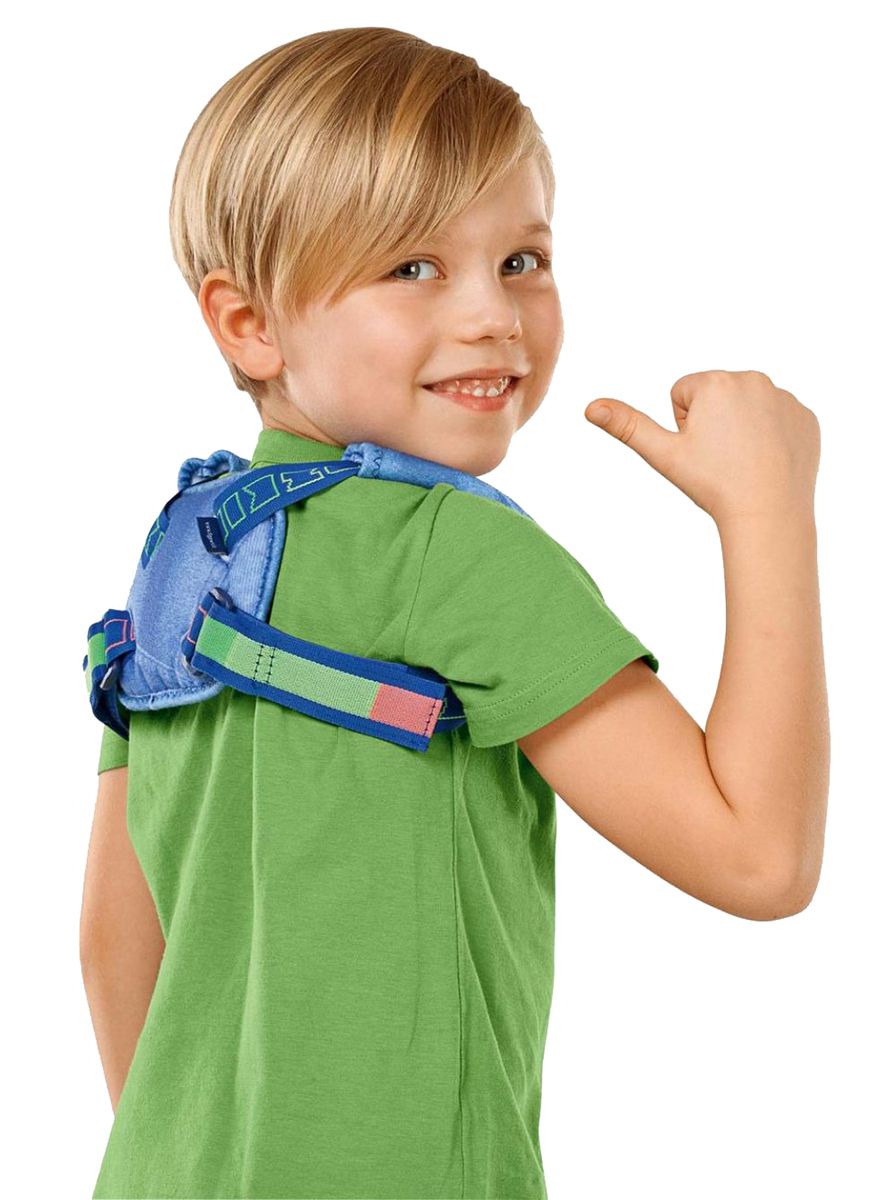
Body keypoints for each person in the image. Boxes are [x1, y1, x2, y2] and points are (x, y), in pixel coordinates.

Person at [79, 26, 829, 1200]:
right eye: (413, 267)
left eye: (521, 259)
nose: (493, 315)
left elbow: (112, 940)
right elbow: (756, 859)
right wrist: (768, 511)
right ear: (248, 322)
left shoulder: (184, 555)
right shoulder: (451, 547)